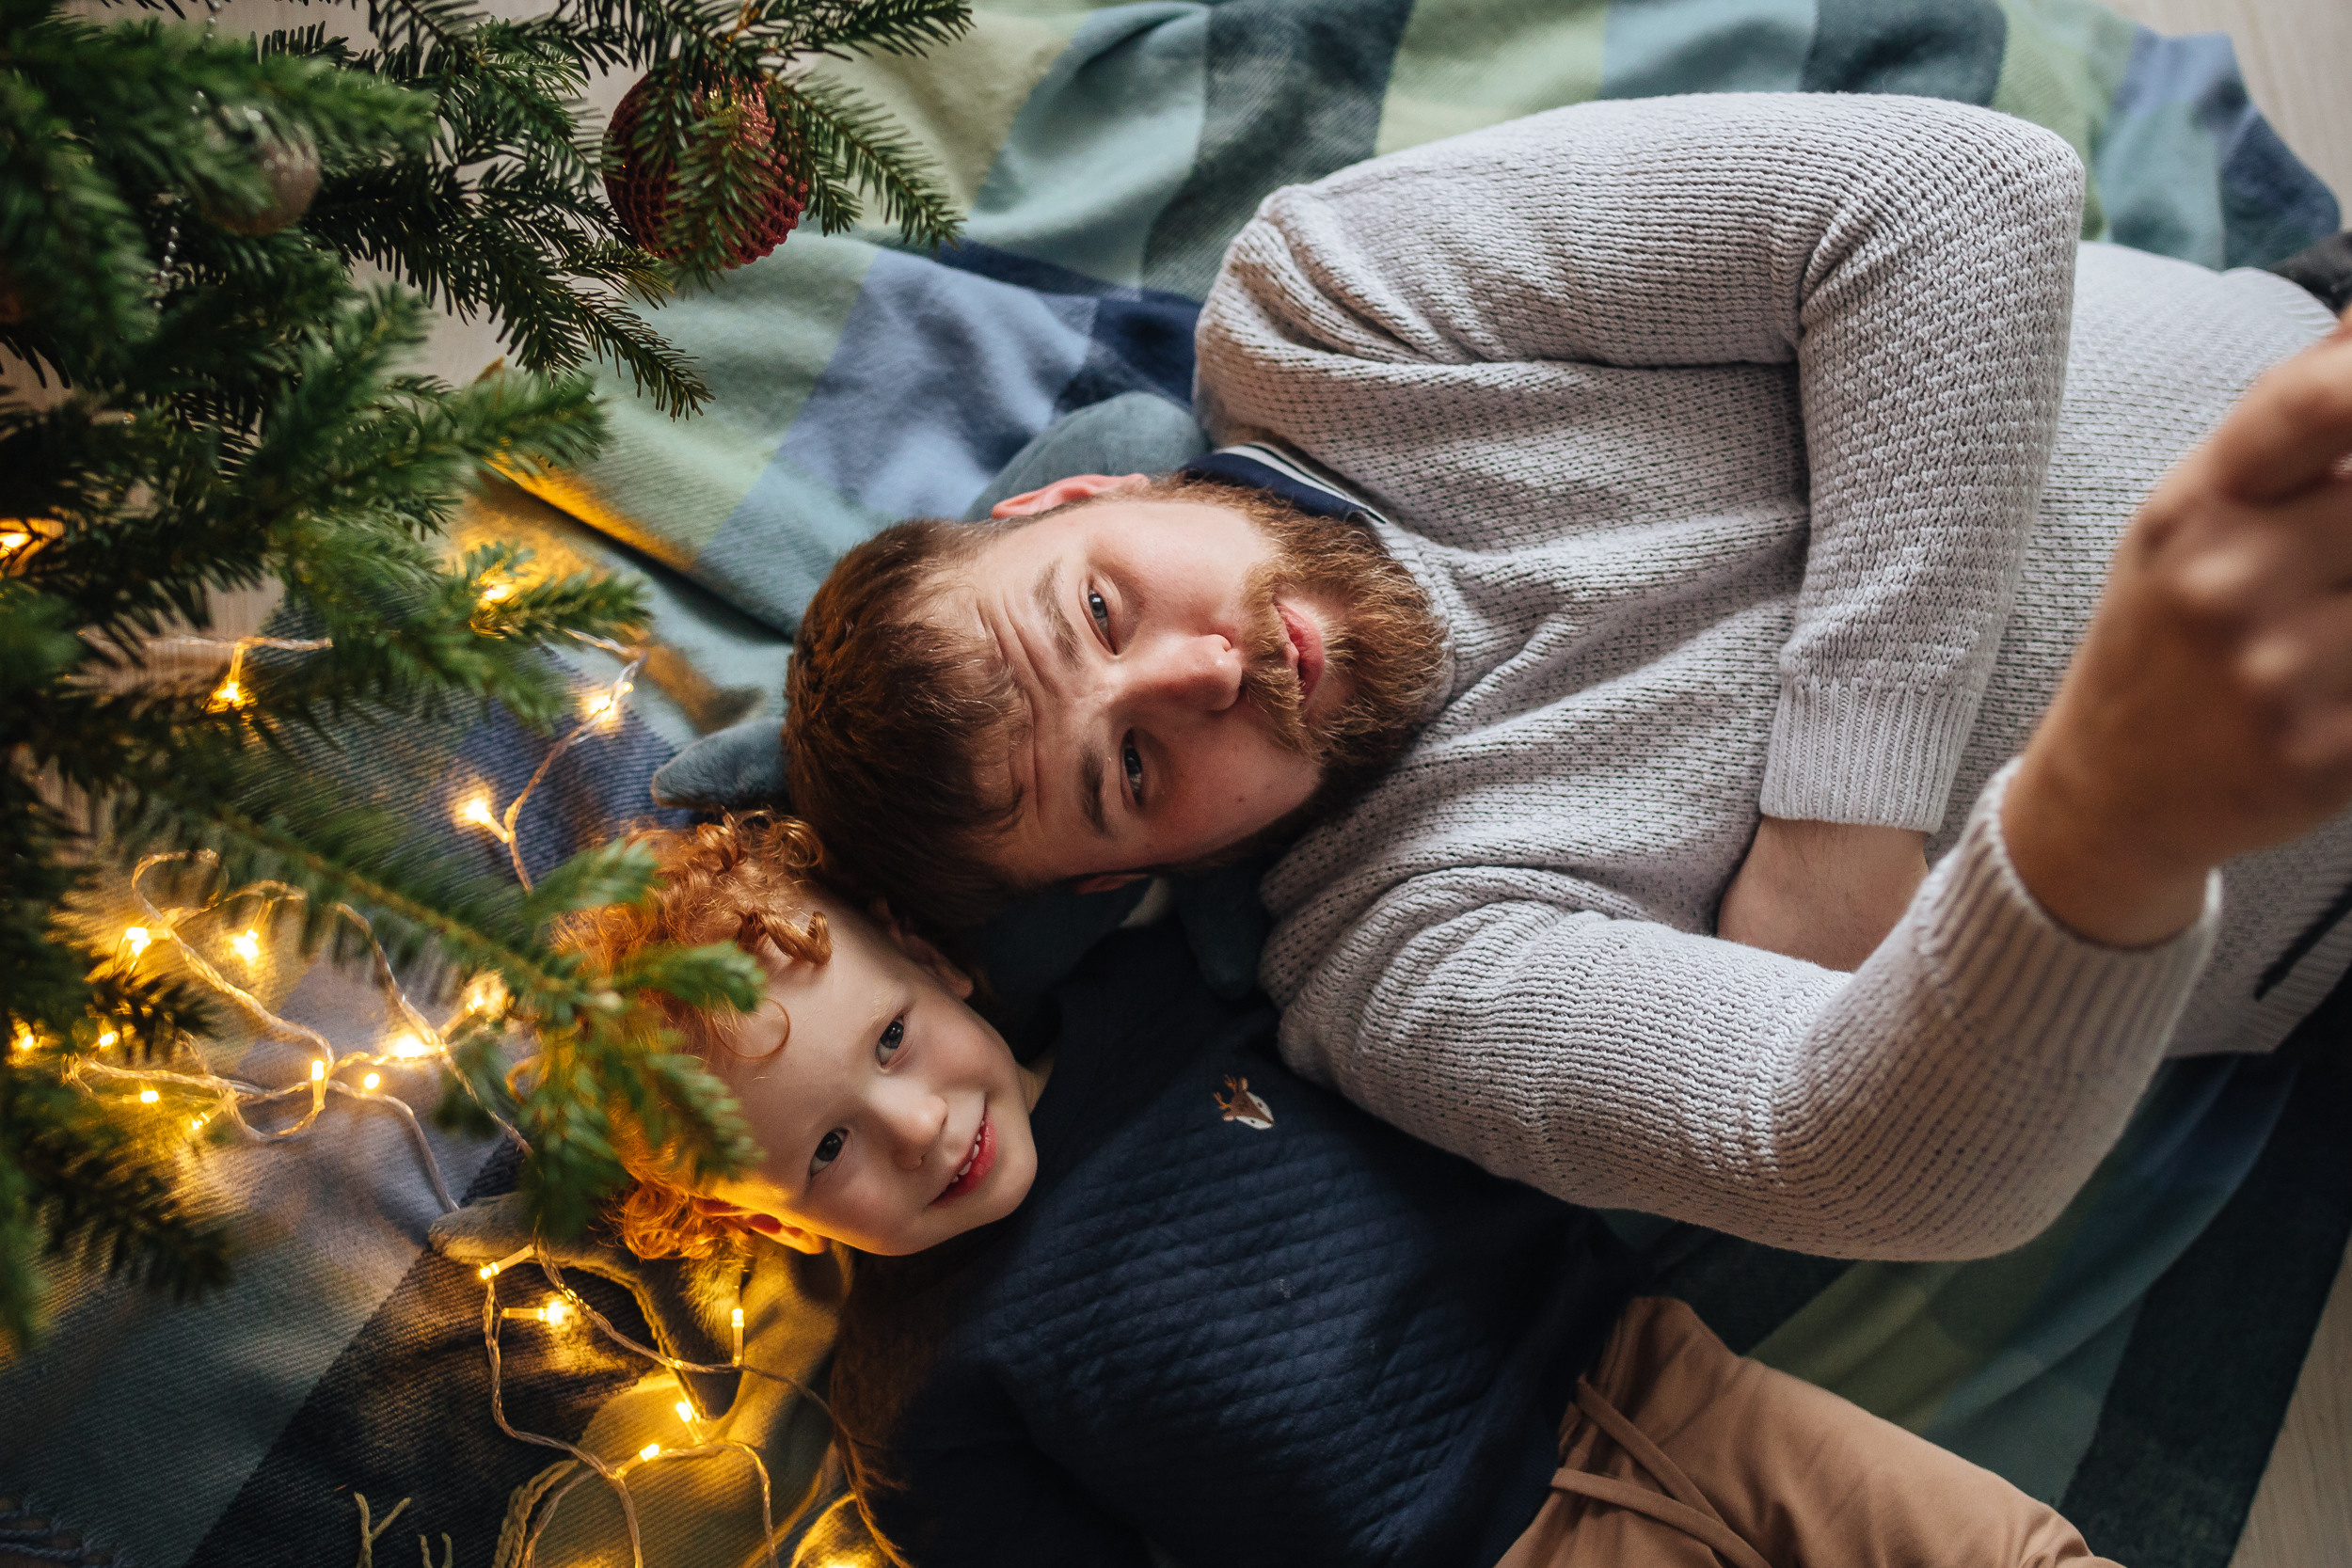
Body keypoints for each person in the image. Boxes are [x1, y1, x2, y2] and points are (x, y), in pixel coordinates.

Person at [779, 92, 2352, 1262]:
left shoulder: (1330, 312)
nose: (1210, 672)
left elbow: (1950, 192)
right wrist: (2118, 815)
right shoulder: (1400, 972)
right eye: (1129, 774)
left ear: (1063, 501)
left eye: (1104, 611)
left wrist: (1845, 807)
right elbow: (1893, 1171)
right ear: (1155, 868)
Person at [566, 812, 2120, 1568]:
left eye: (894, 1037)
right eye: (826, 1151)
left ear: (940, 957)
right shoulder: (918, 1395)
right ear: (763, 1223)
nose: (914, 1127)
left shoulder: (1179, 993)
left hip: (1657, 1379)